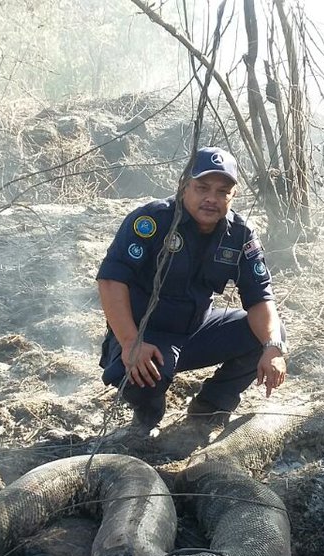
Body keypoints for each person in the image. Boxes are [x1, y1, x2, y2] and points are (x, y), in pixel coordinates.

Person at [96, 146, 288, 435]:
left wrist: (273, 348)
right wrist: (130, 341)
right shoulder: (151, 221)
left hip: (197, 329)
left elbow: (260, 297)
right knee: (134, 377)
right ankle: (148, 411)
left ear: (232, 196)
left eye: (223, 191)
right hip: (145, 334)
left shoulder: (240, 234)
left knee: (271, 335)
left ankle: (210, 407)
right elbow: (111, 280)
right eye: (202, 188)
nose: (212, 198)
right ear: (185, 186)